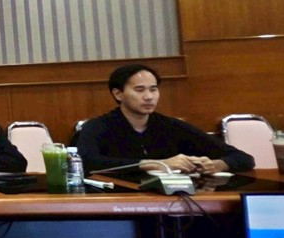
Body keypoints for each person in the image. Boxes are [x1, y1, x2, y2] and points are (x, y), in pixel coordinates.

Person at [76, 63, 254, 174]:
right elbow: (87, 162)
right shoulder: (97, 127)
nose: (149, 97)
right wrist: (157, 164)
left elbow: (243, 158)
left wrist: (216, 165)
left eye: (153, 89)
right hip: (120, 200)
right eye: (140, 90)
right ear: (118, 94)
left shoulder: (171, 126)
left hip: (173, 201)